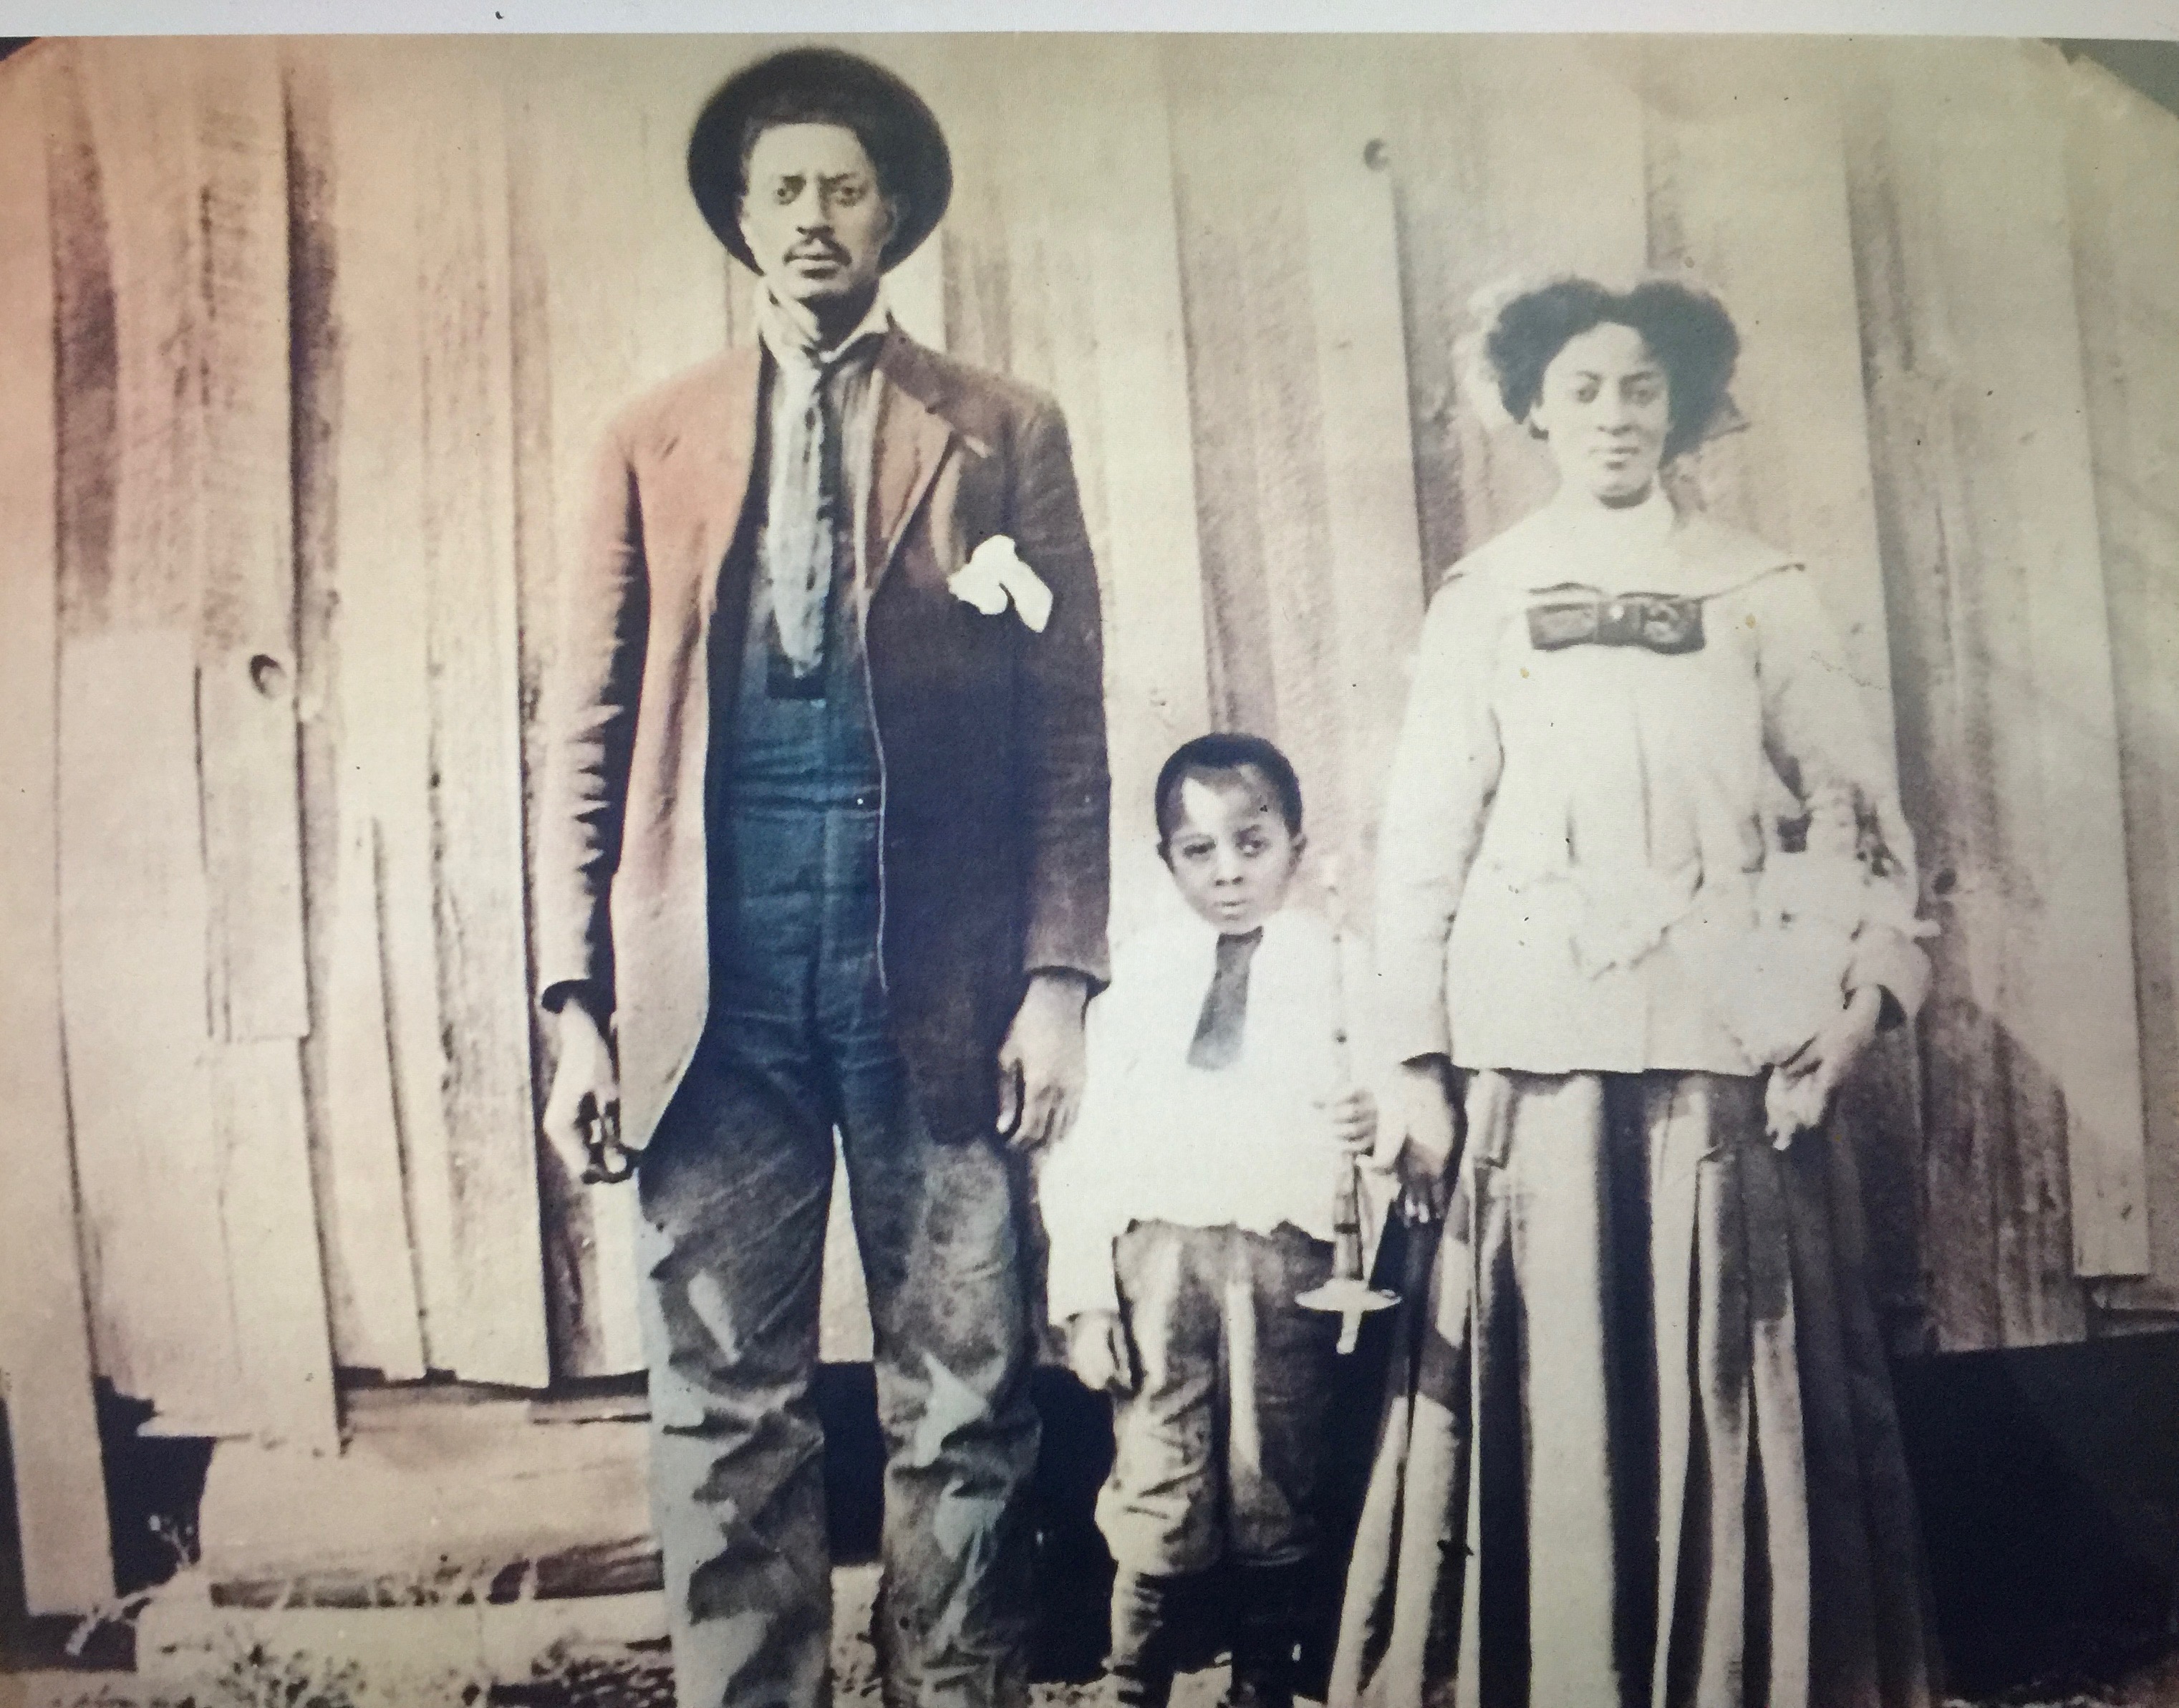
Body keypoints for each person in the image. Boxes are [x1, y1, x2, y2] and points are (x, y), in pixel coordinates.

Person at [532, 47, 1110, 1708]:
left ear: (894, 217)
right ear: (738, 215)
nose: (812, 217)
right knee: (724, 1397)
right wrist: (577, 1002)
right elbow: (585, 729)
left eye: (843, 187)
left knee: (964, 1387)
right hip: (709, 976)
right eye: (782, 188)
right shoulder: (648, 437)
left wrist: (1057, 980)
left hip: (932, 970)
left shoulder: (1000, 432)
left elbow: (1064, 721)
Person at [1335, 276, 1938, 1708]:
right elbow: (1423, 837)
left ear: (1681, 406)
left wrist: (1860, 999)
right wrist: (1407, 1058)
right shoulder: (1483, 595)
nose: (1614, 416)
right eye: (1585, 389)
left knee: (1732, 1365)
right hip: (1533, 1048)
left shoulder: (1759, 587)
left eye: (1642, 389)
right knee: (1554, 1368)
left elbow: (1862, 812)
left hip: (1724, 1038)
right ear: (1533, 406)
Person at [1039, 733, 1387, 1708]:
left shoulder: (1340, 966)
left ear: (1295, 843)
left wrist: (1380, 1119)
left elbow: (1388, 1094)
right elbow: (1088, 1148)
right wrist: (1087, 1300)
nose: (1229, 871)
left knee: (1277, 1469)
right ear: (1167, 861)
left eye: (1252, 841)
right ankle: (1131, 1680)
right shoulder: (1138, 982)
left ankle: (1265, 1683)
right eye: (1199, 850)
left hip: (1287, 1258)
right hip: (1162, 1266)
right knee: (1160, 1468)